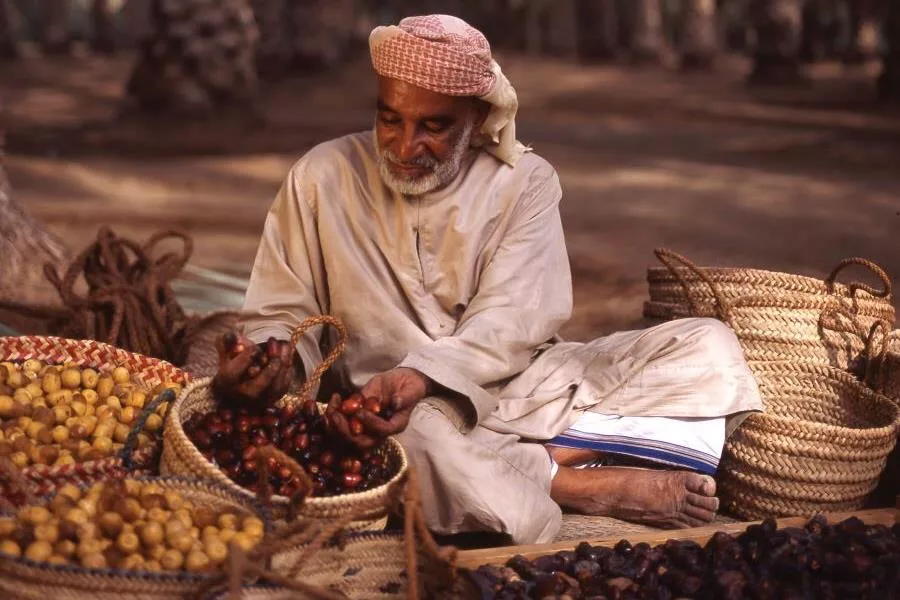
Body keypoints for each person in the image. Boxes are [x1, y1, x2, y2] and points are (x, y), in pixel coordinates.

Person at [212, 14, 763, 545]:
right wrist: (267, 359)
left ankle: (539, 461)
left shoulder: (525, 181)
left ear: (476, 120)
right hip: (391, 412)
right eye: (390, 119)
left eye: (433, 126)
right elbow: (280, 313)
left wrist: (425, 375)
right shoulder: (320, 175)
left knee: (706, 347)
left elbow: (510, 322)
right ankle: (573, 483)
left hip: (523, 388)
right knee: (407, 445)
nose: (405, 147)